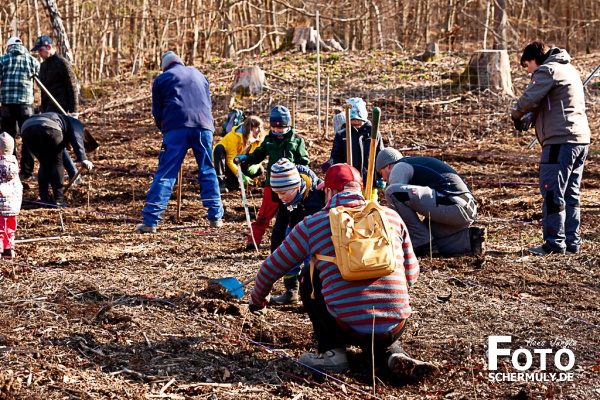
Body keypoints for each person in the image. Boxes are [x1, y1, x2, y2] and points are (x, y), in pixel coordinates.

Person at [248, 164, 439, 383]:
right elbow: (412, 276)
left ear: (328, 191)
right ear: (360, 189)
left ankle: (332, 352)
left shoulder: (312, 225)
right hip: (395, 325)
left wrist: (257, 301)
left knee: (310, 273)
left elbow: (270, 269)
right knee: (378, 327)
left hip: (345, 325)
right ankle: (393, 355)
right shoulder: (391, 217)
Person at [511, 41, 590, 255]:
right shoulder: (567, 68)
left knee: (552, 191)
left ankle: (554, 243)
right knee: (571, 193)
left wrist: (516, 114)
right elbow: (553, 102)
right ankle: (572, 242)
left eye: (527, 65)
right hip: (579, 140)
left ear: (534, 60)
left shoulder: (548, 69)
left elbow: (529, 98)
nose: (528, 71)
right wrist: (533, 117)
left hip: (559, 141)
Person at [136, 51, 223, 233]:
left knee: (167, 172)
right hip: (204, 126)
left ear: (165, 65)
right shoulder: (200, 75)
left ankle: (151, 220)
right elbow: (207, 103)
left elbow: (157, 112)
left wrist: (164, 128)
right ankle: (216, 216)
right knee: (207, 169)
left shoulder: (162, 79)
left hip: (176, 127)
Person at [376, 148, 486, 256]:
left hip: (454, 205)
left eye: (381, 173)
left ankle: (422, 244)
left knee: (392, 192)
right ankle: (470, 240)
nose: (383, 179)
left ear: (388, 166)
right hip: (467, 211)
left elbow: (396, 200)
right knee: (426, 237)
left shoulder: (400, 166)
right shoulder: (416, 164)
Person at [235, 105, 309, 249]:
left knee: (290, 216)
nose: (277, 131)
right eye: (274, 128)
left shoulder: (296, 141)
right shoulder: (269, 140)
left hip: (291, 185)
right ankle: (254, 240)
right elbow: (258, 155)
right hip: (272, 184)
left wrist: (300, 177)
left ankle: (290, 243)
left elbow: (304, 162)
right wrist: (246, 158)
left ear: (288, 125)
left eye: (281, 128)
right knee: (264, 214)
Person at [268, 158, 324, 305]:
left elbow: (320, 225)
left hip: (315, 233)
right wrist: (275, 257)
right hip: (294, 227)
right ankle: (291, 292)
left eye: (283, 194)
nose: (280, 198)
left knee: (310, 262)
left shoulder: (316, 195)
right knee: (288, 254)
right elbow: (280, 225)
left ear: (296, 188)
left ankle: (313, 295)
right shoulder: (285, 195)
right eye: (277, 194)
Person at [30, 35, 79, 185]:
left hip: (61, 108)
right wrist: (42, 109)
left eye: (41, 50)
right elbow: (44, 92)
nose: (39, 53)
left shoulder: (62, 63)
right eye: (38, 51)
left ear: (49, 47)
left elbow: (73, 88)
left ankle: (72, 172)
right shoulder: (43, 66)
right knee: (53, 143)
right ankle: (70, 173)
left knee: (56, 143)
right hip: (48, 110)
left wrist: (74, 110)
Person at [20, 112, 93, 207]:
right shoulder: (76, 123)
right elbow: (76, 137)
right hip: (49, 127)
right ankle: (58, 200)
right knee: (56, 162)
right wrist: (83, 158)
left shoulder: (61, 120)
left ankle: (44, 199)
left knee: (44, 163)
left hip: (27, 128)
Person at [323, 98, 384, 196]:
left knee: (369, 206)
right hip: (348, 183)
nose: (356, 122)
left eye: (358, 120)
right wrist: (336, 175)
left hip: (369, 180)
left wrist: (380, 176)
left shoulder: (373, 134)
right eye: (353, 120)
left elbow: (380, 155)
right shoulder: (342, 135)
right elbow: (336, 158)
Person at [0, 37, 39, 181]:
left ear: (8, 47)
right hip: (26, 106)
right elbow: (39, 79)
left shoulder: (3, 60)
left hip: (7, 106)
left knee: (7, 139)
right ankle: (27, 172)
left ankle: (11, 170)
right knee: (28, 137)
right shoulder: (32, 61)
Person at [213, 115, 265, 193]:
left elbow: (260, 155)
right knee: (219, 148)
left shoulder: (259, 137)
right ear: (250, 128)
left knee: (260, 169)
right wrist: (240, 175)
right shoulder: (233, 137)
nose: (260, 130)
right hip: (227, 165)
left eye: (260, 127)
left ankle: (239, 181)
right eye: (257, 128)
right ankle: (221, 183)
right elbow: (229, 160)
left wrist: (256, 166)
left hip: (240, 162)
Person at [0, 132, 22, 259]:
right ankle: (9, 249)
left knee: (0, 229)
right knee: (10, 228)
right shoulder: (14, 165)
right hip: (13, 206)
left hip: (1, 206)